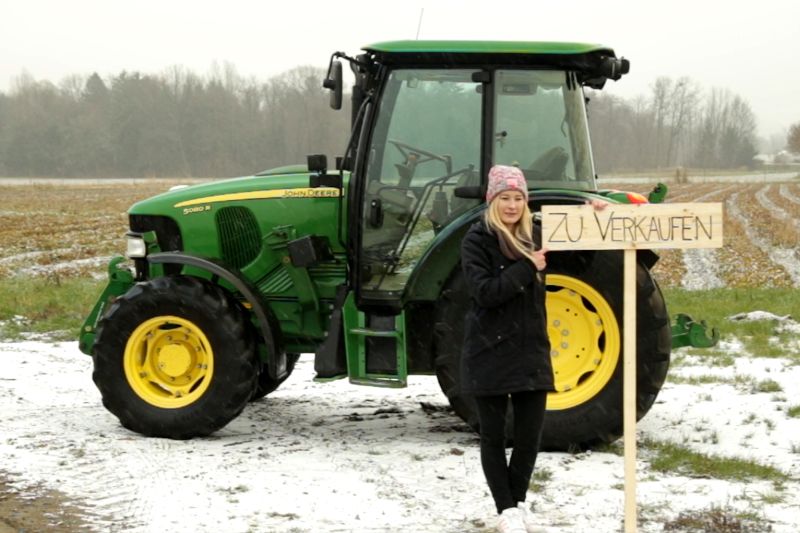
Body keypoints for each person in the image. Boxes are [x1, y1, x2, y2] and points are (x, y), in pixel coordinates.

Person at [460, 164, 605, 533]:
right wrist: (528, 267)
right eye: (505, 198)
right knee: (494, 436)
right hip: (488, 350)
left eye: (518, 198)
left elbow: (578, 260)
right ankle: (505, 509)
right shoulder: (476, 240)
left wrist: (593, 221)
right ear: (493, 201)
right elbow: (485, 293)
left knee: (529, 436)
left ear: (525, 202)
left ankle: (519, 504)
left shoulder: (534, 235)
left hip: (530, 350)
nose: (512, 205)